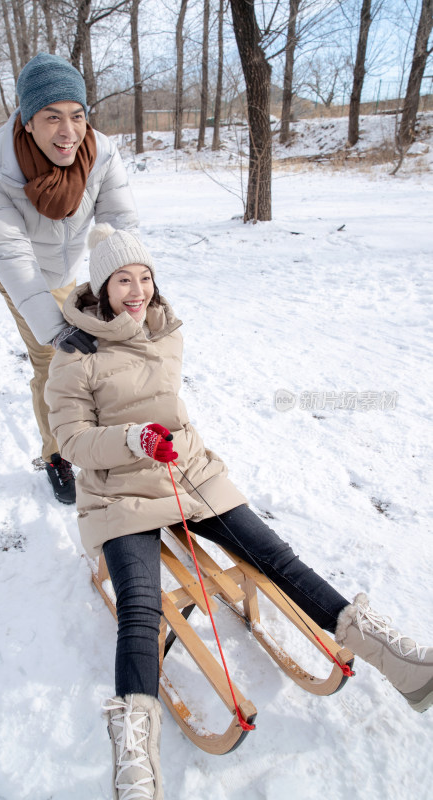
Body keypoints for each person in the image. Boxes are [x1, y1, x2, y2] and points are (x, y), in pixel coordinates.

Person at [45, 224, 433, 800]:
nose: (137, 289)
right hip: (119, 489)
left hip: (185, 471)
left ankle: (394, 658)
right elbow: (72, 441)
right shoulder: (76, 354)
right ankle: (135, 754)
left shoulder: (164, 329)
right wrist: (131, 439)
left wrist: (170, 443)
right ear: (100, 287)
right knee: (142, 606)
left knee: (275, 555)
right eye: (123, 279)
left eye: (145, 276)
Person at [0, 53, 138, 504]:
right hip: (21, 270)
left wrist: (130, 283)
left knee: (102, 350)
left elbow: (119, 221)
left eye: (77, 116)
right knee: (53, 359)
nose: (68, 132)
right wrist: (54, 326)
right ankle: (57, 452)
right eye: (52, 118)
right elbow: (9, 251)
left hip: (67, 267)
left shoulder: (100, 151)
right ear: (27, 120)